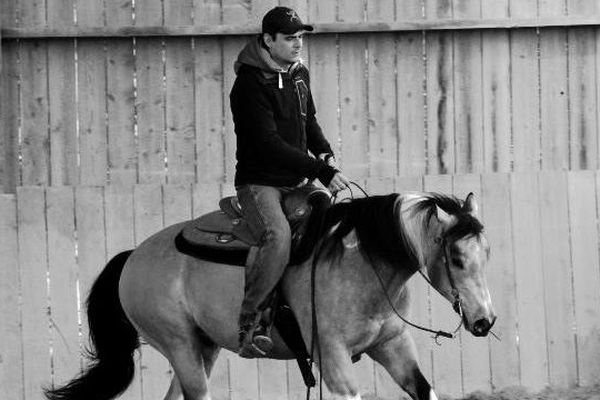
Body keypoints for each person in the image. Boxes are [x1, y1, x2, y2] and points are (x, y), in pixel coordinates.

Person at [230, 6, 350, 358]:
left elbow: (308, 121)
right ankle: (250, 320)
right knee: (278, 236)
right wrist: (322, 171)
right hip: (259, 184)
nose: (298, 44)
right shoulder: (249, 85)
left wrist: (325, 153)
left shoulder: (299, 74)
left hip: (296, 180)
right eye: (289, 38)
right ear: (268, 40)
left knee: (330, 218)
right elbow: (268, 144)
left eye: (300, 37)